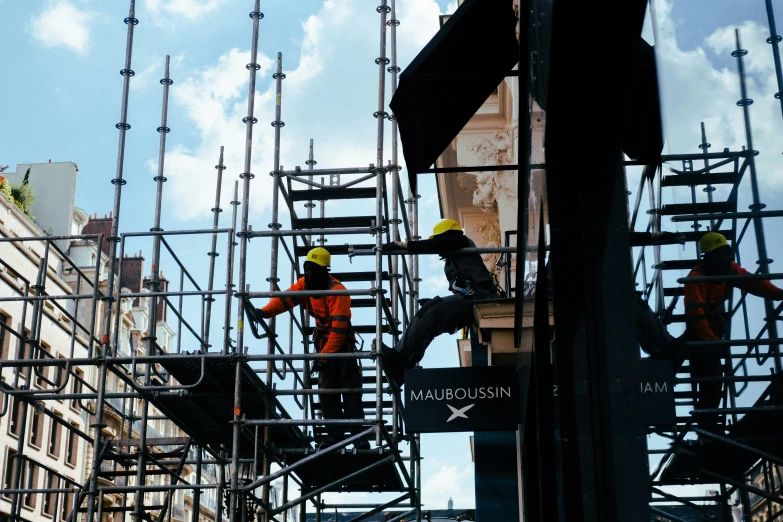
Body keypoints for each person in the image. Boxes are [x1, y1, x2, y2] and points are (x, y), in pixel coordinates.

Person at [246, 247, 369, 450]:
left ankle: (360, 439)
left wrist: (323, 358)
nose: (310, 274)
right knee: (327, 393)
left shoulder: (338, 292)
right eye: (307, 269)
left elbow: (338, 332)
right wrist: (263, 312)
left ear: (325, 270)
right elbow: (285, 299)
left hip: (343, 348)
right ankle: (336, 438)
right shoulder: (306, 284)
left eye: (314, 269)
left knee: (351, 394)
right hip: (324, 344)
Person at [375, 219, 500, 385]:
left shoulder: (461, 241)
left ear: (446, 235)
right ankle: (403, 366)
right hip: (472, 299)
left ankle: (399, 356)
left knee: (432, 312)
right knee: (431, 322)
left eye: (438, 240)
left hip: (480, 299)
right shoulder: (453, 256)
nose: (438, 250)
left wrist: (402, 245)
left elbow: (435, 246)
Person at [684, 232, 783, 435]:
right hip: (699, 331)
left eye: (726, 254)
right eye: (719, 254)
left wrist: (779, 293)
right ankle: (707, 425)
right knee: (709, 375)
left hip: (713, 327)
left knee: (714, 375)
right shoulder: (695, 278)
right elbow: (696, 317)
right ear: (708, 257)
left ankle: (709, 423)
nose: (725, 259)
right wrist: (712, 344)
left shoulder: (729, 269)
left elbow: (754, 283)